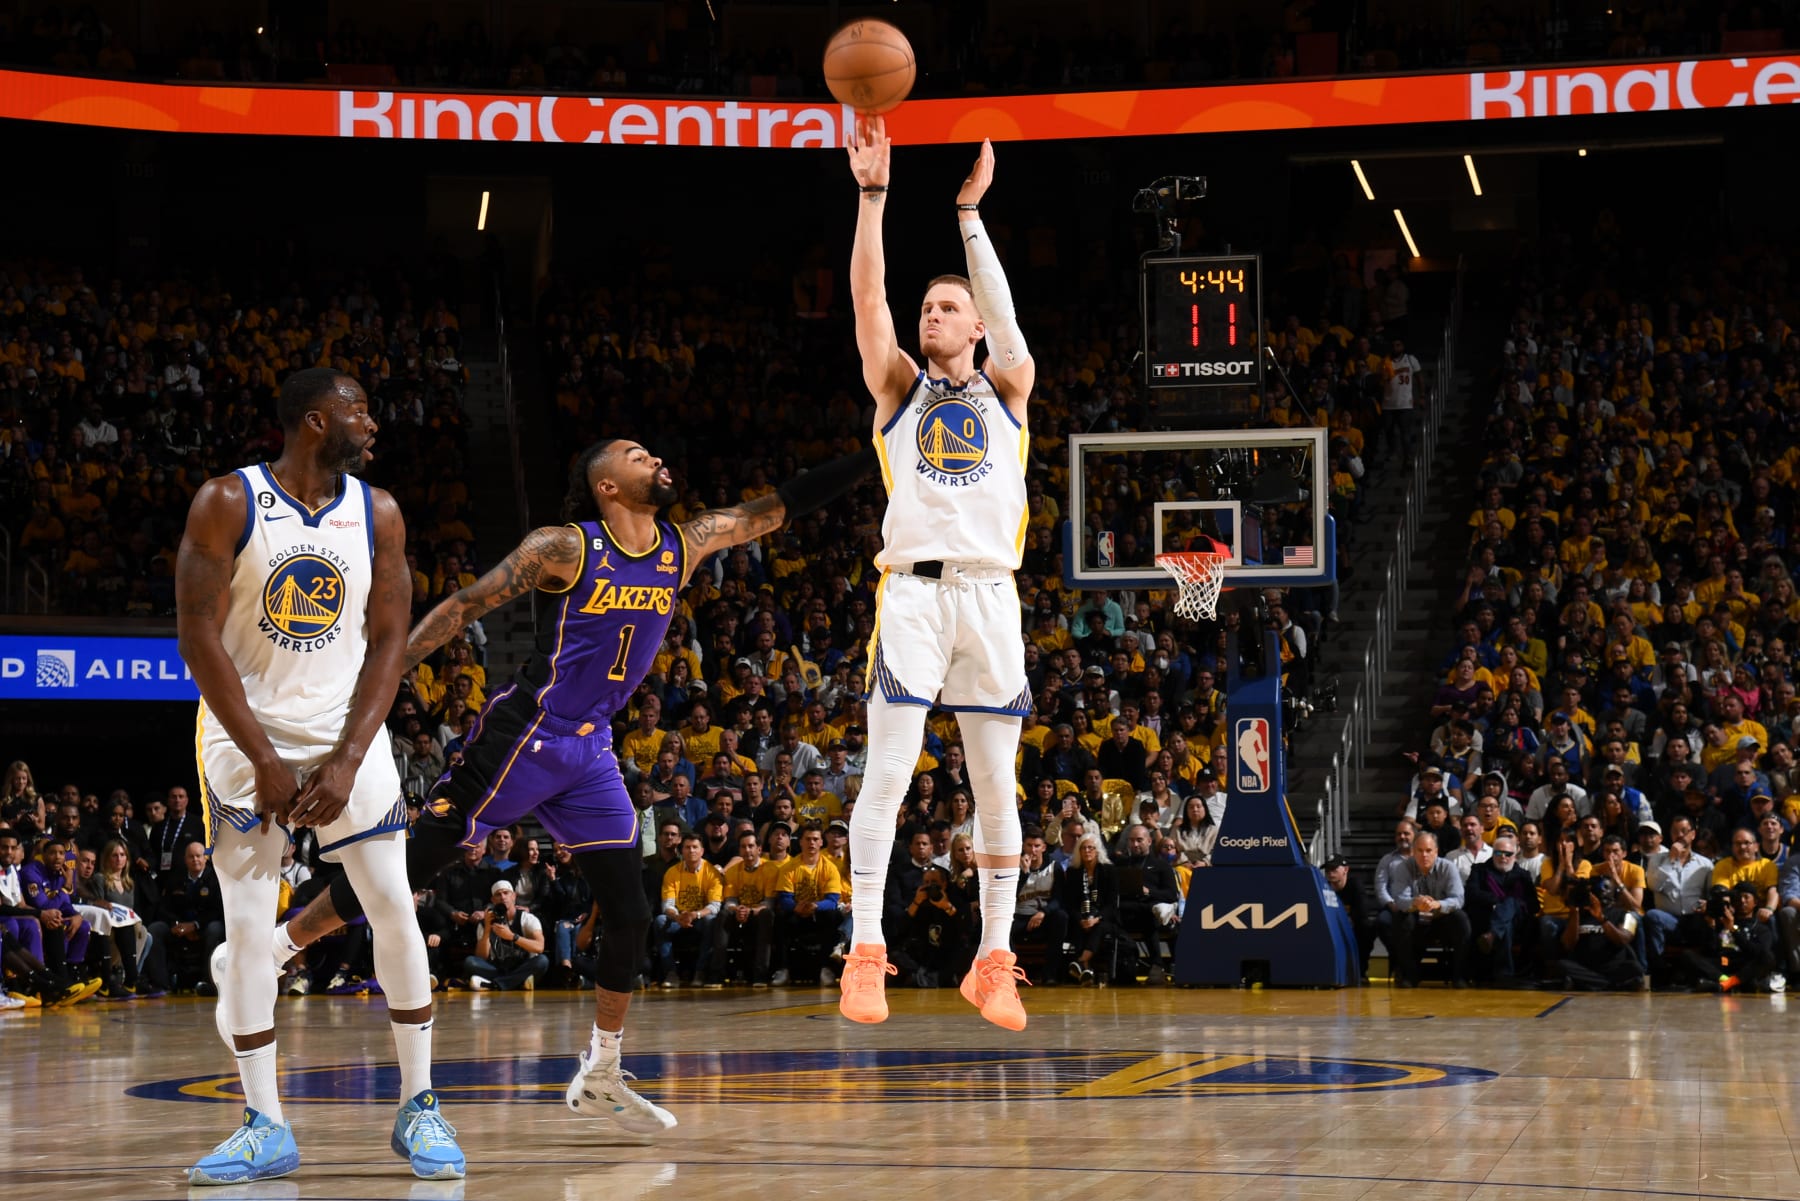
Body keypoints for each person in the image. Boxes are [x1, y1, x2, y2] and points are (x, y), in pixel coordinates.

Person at [263, 434, 872, 1135]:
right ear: (605, 485)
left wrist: (874, 454)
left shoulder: (685, 544)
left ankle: (602, 1071)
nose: (654, 458)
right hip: (524, 734)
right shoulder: (566, 547)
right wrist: (380, 679)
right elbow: (465, 606)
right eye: (636, 454)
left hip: (591, 749)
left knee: (631, 911)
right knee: (404, 872)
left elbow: (781, 505)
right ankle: (279, 947)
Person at [175, 369, 461, 1184]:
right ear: (312, 420)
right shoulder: (227, 501)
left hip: (346, 732)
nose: (371, 422)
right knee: (246, 927)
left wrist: (347, 756)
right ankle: (264, 1123)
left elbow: (391, 641)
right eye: (357, 410)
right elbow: (197, 635)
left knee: (393, 903)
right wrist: (264, 758)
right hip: (245, 733)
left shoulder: (380, 512)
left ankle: (420, 1105)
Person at [838, 119, 1035, 1032]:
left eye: (949, 308)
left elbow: (1005, 316)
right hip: (913, 593)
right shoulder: (898, 386)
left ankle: (993, 960)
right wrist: (873, 197)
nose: (933, 315)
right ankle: (863, 950)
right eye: (929, 308)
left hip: (991, 593)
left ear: (977, 325)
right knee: (887, 771)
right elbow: (867, 296)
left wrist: (969, 217)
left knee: (996, 787)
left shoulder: (1008, 388)